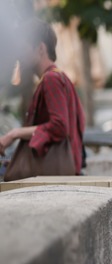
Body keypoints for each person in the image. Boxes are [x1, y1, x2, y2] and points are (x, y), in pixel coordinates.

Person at [0, 19, 85, 172]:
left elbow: (59, 126)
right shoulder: (59, 77)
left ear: (40, 48)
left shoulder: (51, 79)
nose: (19, 57)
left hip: (55, 176)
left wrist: (14, 133)